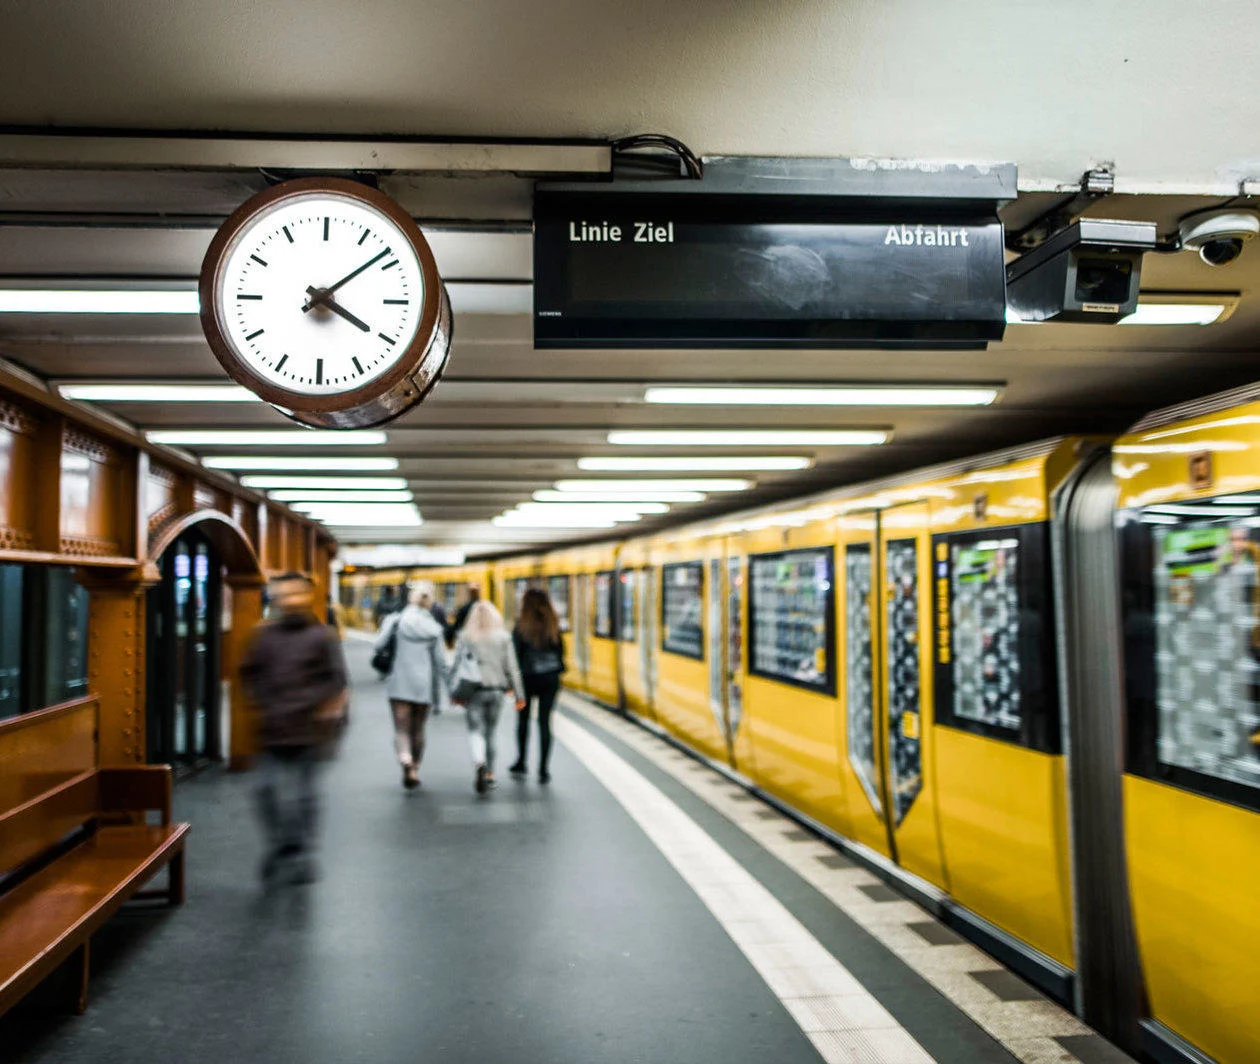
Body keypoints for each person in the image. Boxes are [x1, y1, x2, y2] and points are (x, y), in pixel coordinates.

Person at [241, 572, 347, 887]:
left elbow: (337, 680)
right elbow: (249, 672)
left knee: (303, 794)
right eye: (283, 596)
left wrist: (320, 710)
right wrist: (262, 703)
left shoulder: (322, 637)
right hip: (273, 729)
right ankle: (284, 843)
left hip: (308, 730)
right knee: (266, 791)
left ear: (306, 597)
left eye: (295, 594)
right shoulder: (263, 636)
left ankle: (301, 851)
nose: (290, 601)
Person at [374, 583, 448, 790]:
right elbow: (441, 663)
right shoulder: (434, 628)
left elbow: (378, 645)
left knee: (401, 728)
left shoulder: (395, 620)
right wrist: (451, 690)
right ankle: (415, 766)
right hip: (423, 684)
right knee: (418, 729)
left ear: (410, 599)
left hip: (399, 681)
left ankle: (405, 760)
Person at [452, 600, 525, 795]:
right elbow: (512, 668)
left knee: (475, 730)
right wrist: (519, 695)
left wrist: (454, 693)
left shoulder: (465, 636)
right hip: (496, 691)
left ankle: (479, 763)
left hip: (473, 690)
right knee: (491, 732)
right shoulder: (503, 638)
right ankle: (490, 774)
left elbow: (457, 666)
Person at [510, 588, 566, 784]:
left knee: (523, 721)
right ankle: (543, 769)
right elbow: (561, 652)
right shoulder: (553, 625)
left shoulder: (521, 627)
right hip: (550, 680)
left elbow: (514, 656)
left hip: (526, 681)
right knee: (545, 722)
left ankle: (521, 761)